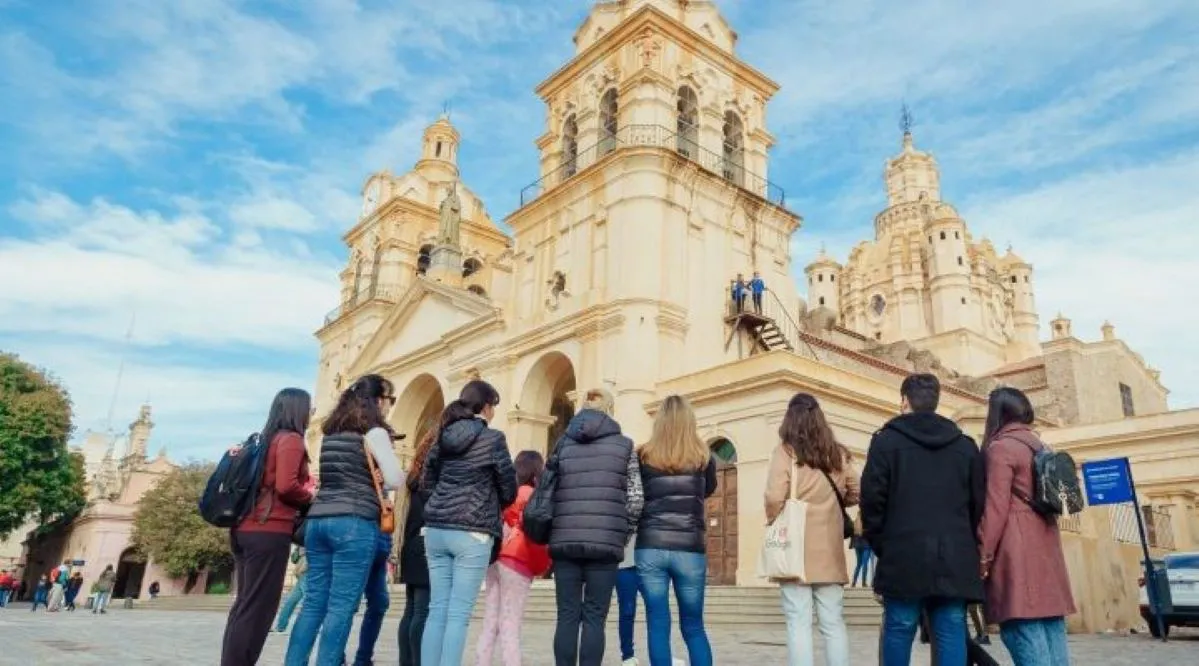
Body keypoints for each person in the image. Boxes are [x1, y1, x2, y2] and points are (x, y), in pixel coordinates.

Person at [860, 373, 985, 666]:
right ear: (936, 401)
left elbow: (872, 501)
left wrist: (883, 544)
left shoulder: (885, 442)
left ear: (904, 401)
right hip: (954, 553)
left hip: (903, 551)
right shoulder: (965, 446)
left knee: (899, 626)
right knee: (951, 628)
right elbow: (978, 503)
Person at [285, 375, 404, 666]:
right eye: (389, 400)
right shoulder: (375, 433)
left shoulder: (331, 433)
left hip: (318, 521)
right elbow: (396, 480)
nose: (389, 406)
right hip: (354, 523)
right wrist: (380, 474)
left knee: (313, 603)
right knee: (341, 606)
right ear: (377, 400)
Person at [419, 380, 517, 666]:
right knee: (458, 614)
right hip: (472, 531)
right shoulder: (493, 438)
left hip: (436, 529)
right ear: (485, 407)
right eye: (493, 406)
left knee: (437, 609)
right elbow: (508, 489)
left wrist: (442, 503)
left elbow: (426, 482)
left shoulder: (442, 436)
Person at [978, 388, 1075, 666]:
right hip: (1047, 544)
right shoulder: (1042, 447)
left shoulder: (1001, 448)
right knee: (1052, 628)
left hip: (1017, 549)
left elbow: (995, 508)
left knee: (1022, 629)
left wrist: (983, 555)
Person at [221, 387, 315, 666]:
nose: (311, 413)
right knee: (259, 609)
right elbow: (286, 486)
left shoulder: (265, 440)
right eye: (309, 408)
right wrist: (311, 497)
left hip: (245, 527)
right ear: (298, 410)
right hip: (269, 529)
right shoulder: (291, 440)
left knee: (245, 605)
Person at [548, 388, 642, 666]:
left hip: (565, 540)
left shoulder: (562, 444)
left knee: (566, 615)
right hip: (605, 543)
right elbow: (636, 499)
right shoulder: (625, 446)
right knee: (594, 617)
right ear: (610, 410)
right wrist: (622, 534)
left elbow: (548, 490)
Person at [764, 392, 859, 666]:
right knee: (833, 622)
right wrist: (835, 502)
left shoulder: (785, 452)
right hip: (829, 550)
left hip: (795, 550)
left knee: (798, 622)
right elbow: (857, 491)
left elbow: (774, 496)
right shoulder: (837, 453)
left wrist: (773, 518)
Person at [636, 394, 717, 666]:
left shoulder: (643, 455)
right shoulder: (704, 456)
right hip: (689, 548)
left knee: (657, 623)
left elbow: (636, 496)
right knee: (694, 626)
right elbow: (707, 489)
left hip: (651, 546)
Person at [477, 450, 552, 666]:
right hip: (518, 560)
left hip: (496, 558)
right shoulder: (532, 495)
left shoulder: (506, 494)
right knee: (511, 623)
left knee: (490, 621)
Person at [398, 429, 436, 666]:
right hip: (426, 544)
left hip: (411, 544)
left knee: (410, 610)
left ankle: (406, 661)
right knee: (422, 611)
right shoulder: (433, 478)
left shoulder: (413, 479)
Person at [350, 531, 393, 666]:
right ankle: (336, 657)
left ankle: (363, 659)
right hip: (355, 537)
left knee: (379, 603)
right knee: (346, 605)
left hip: (380, 543)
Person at [616, 534, 642, 666]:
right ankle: (627, 655)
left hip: (650, 562)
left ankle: (665, 654)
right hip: (624, 563)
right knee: (627, 611)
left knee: (658, 611)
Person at [274, 547, 308, 633]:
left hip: (308, 575)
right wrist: (298, 553)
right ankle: (280, 626)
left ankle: (307, 628)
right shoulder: (301, 544)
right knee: (290, 602)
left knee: (309, 603)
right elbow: (293, 559)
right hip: (300, 576)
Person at [850, 514, 873, 587]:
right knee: (865, 564)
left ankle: (853, 583)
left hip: (857, 545)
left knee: (859, 564)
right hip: (866, 545)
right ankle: (863, 583)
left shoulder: (855, 523)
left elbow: (852, 535)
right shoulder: (868, 523)